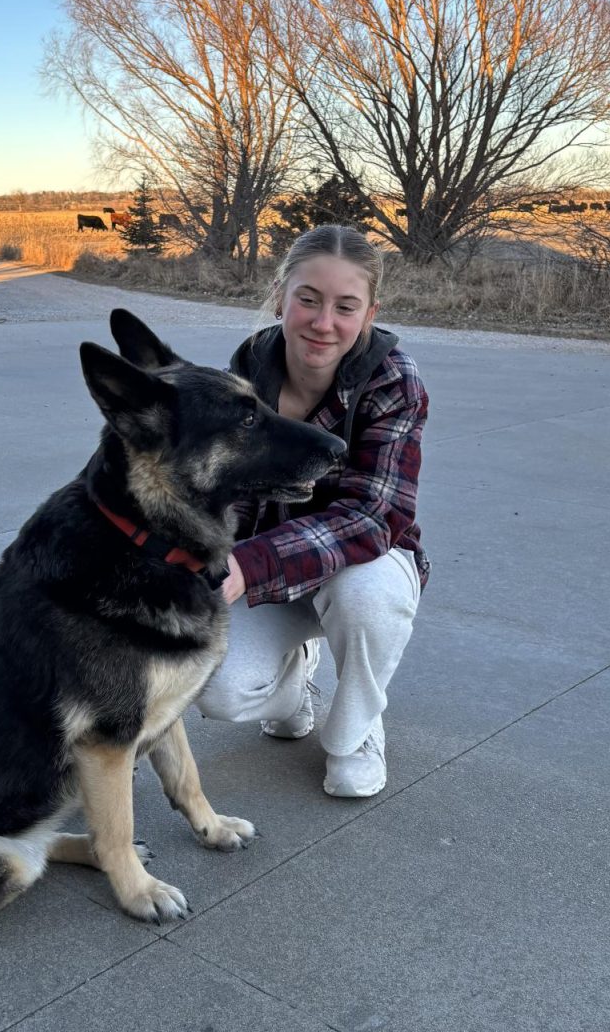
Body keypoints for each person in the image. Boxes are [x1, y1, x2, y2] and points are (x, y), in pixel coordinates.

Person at [196, 224, 429, 797]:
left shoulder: (394, 380)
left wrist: (245, 567)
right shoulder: (246, 369)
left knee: (366, 596)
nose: (324, 323)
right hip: (270, 571)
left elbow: (372, 516)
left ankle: (355, 733)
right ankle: (297, 681)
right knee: (215, 690)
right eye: (308, 299)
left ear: (369, 312)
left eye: (345, 307)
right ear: (281, 295)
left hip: (364, 565)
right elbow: (221, 491)